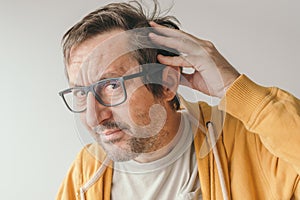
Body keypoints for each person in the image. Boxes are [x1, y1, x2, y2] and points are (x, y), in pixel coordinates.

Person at [57, 1, 300, 199]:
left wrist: (234, 89)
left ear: (166, 84)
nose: (93, 116)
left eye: (111, 85)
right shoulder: (86, 173)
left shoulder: (248, 146)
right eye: (80, 92)